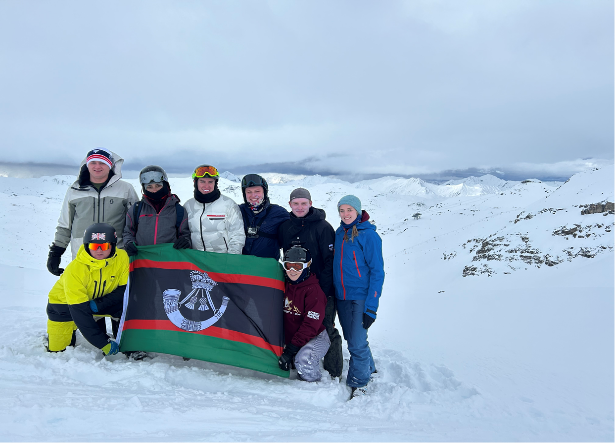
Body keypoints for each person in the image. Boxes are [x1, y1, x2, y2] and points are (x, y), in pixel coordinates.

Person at [278, 187, 343, 379]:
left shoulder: (323, 227)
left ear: (310, 204)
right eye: (296, 203)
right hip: (296, 285)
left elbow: (330, 261)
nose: (299, 207)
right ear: (290, 205)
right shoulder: (285, 227)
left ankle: (333, 370)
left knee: (325, 327)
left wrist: (322, 291)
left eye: (303, 203)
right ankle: (298, 356)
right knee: (296, 323)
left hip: (321, 289)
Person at [47, 148, 139, 269]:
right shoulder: (75, 190)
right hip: (83, 256)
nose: (97, 166)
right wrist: (56, 252)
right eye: (93, 162)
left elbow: (136, 222)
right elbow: (65, 225)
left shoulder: (125, 189)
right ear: (87, 164)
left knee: (117, 288)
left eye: (102, 163)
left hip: (116, 255)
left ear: (110, 165)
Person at [46, 223, 128, 356]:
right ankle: (69, 330)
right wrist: (103, 343)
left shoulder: (122, 257)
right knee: (58, 352)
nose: (99, 250)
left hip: (97, 301)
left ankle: (126, 339)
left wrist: (98, 304)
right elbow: (80, 312)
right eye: (94, 246)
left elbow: (123, 289)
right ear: (87, 245)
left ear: (112, 245)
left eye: (105, 246)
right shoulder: (75, 270)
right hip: (64, 306)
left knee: (127, 304)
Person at [333, 195, 385, 398]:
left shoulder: (369, 236)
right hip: (341, 296)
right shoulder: (339, 233)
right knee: (353, 338)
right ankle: (369, 367)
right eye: (342, 210)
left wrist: (371, 306)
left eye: (349, 210)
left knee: (356, 342)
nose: (346, 214)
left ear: (358, 211)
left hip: (361, 296)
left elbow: (377, 272)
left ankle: (359, 382)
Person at [278, 246, 330, 382]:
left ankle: (312, 388)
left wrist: (291, 350)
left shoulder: (314, 291)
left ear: (307, 266)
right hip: (291, 339)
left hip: (315, 336)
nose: (292, 271)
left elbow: (311, 325)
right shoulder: (283, 284)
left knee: (304, 362)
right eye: (288, 266)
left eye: (297, 266)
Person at [123, 165, 191, 253]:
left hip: (169, 260)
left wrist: (185, 241)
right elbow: (128, 232)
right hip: (143, 260)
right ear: (144, 188)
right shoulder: (136, 209)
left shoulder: (178, 210)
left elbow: (185, 234)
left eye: (158, 186)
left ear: (165, 185)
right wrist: (128, 243)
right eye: (149, 187)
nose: (154, 190)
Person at [184, 164, 245, 254]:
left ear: (215, 183)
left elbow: (237, 235)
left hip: (222, 260)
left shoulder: (228, 204)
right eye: (202, 181)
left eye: (210, 182)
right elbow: (185, 232)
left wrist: (232, 260)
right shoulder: (188, 205)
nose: (206, 186)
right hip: (197, 261)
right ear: (195, 183)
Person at [239, 174, 289, 260]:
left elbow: (295, 229)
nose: (253, 195)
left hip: (267, 269)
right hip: (241, 268)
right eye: (249, 192)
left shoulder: (279, 213)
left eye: (257, 191)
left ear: (264, 192)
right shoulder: (237, 211)